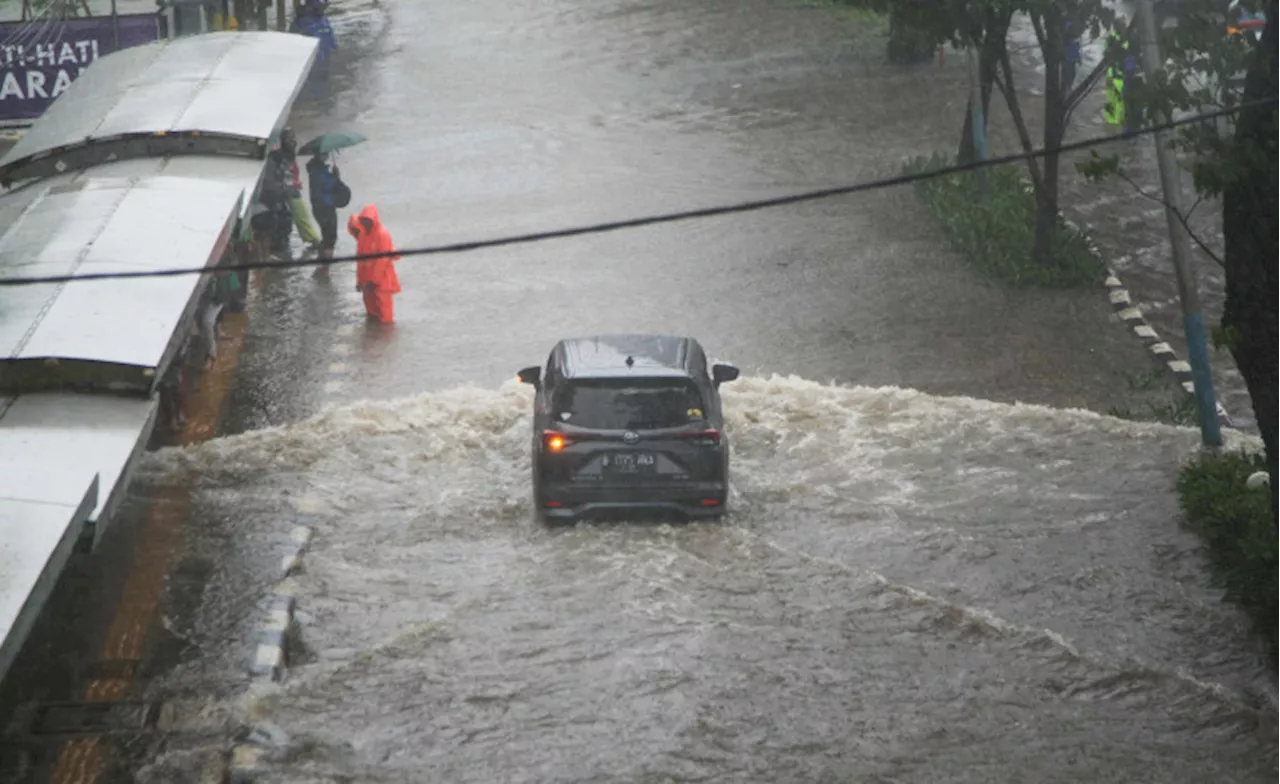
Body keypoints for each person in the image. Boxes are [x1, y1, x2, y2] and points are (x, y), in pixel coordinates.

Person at [348, 205, 401, 323]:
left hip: (382, 279)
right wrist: (360, 281)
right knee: (371, 312)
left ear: (374, 220)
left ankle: (385, 338)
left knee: (385, 315)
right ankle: (374, 336)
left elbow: (383, 260)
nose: (365, 223)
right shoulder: (363, 236)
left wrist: (374, 281)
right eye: (363, 220)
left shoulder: (382, 234)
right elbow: (360, 261)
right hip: (367, 281)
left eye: (367, 220)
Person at [306, 151, 346, 278]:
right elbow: (329, 186)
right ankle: (324, 269)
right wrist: (336, 177)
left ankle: (321, 265)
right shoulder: (320, 172)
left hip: (318, 208)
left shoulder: (314, 170)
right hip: (326, 208)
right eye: (324, 153)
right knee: (330, 239)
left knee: (326, 236)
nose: (327, 155)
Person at [290, 0, 338, 98]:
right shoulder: (301, 24)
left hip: (322, 69)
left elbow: (333, 45)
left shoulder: (324, 20)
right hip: (309, 73)